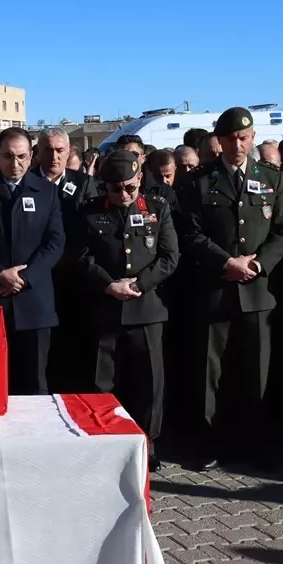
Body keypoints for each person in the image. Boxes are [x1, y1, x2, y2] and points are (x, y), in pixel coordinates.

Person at [177, 107, 283, 470]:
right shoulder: (200, 181)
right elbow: (190, 233)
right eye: (230, 139)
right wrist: (226, 262)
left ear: (253, 137)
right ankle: (209, 442)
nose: (238, 144)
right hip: (216, 288)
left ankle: (254, 443)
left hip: (257, 292)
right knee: (210, 372)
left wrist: (258, 265)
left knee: (255, 372)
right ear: (220, 141)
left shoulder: (272, 177)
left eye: (244, 138)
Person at [78, 151, 179, 470]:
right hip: (106, 307)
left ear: (139, 181)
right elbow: (81, 257)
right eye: (115, 188)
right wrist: (108, 285)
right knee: (101, 381)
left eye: (129, 188)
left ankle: (146, 443)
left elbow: (169, 256)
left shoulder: (157, 209)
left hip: (145, 308)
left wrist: (139, 284)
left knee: (148, 382)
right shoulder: (90, 212)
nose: (123, 195)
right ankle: (103, 441)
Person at [0, 127, 64, 394]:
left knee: (35, 384)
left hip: (35, 304)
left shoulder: (46, 192)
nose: (15, 164)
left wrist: (23, 278)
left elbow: (55, 243)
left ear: (31, 157)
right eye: (8, 156)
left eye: (21, 156)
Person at [32, 127, 94, 391]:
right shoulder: (26, 182)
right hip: (36, 278)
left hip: (74, 277)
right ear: (38, 152)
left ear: (69, 152)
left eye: (60, 150)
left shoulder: (83, 184)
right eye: (48, 150)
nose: (54, 156)